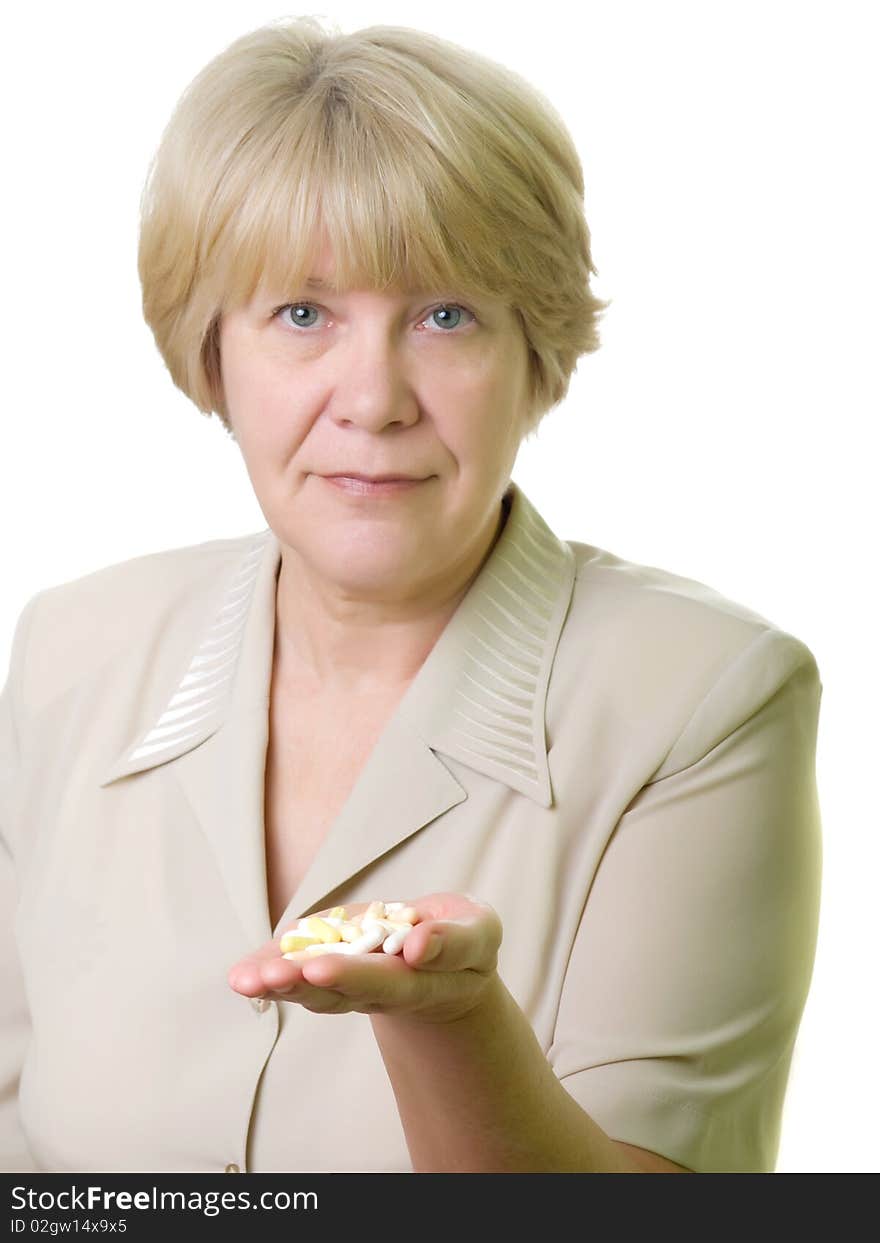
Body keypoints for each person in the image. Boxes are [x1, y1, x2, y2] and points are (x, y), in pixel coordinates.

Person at [0, 16, 823, 1175]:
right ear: (209, 353)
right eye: (302, 314)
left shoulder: (701, 699)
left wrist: (452, 1024)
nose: (374, 398)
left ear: (535, 356)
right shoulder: (70, 649)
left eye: (446, 315)